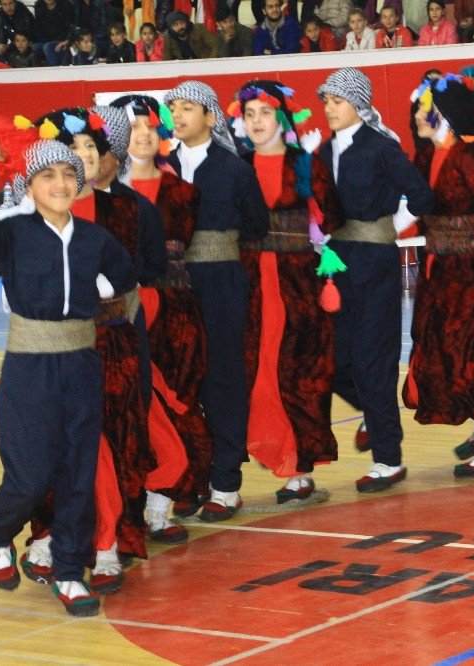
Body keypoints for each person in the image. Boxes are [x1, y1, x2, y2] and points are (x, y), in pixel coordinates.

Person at [0, 131, 136, 616]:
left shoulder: (96, 238)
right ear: (30, 186)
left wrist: (97, 286)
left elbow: (125, 276)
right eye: (47, 175)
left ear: (80, 184)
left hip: (81, 365)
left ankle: (69, 572)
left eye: (67, 174)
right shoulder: (13, 232)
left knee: (78, 473)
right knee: (31, 474)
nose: (59, 182)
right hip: (29, 367)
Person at [15, 107, 163, 593]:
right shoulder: (29, 219)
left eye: (86, 150)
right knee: (55, 446)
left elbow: (146, 268)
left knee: (116, 440)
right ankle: (51, 535)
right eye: (66, 152)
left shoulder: (129, 209)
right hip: (52, 349)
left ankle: (109, 542)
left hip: (114, 341)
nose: (77, 161)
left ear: (101, 158)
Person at [316, 67, 435, 491]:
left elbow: (421, 193)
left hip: (376, 264)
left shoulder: (381, 148)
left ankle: (389, 459)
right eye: (326, 101)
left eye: (338, 101)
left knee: (374, 362)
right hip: (335, 264)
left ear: (359, 103)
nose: (329, 109)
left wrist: (389, 226)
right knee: (333, 361)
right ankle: (372, 413)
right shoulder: (323, 151)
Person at [227, 80, 342, 502]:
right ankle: (263, 455)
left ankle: (299, 468)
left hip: (297, 286)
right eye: (249, 114)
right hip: (251, 283)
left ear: (281, 116)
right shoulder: (236, 166)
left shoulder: (304, 163)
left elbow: (331, 217)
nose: (256, 121)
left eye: (264, 112)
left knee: (297, 373)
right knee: (255, 372)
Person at [403, 69, 474, 477]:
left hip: (469, 273)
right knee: (447, 352)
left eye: (424, 109)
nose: (417, 115)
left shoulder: (468, 156)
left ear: (445, 113)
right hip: (437, 272)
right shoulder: (424, 156)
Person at [163, 81, 270, 520]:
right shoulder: (162, 165)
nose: (179, 116)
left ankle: (226, 483)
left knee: (223, 380)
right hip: (172, 286)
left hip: (221, 282)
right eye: (174, 109)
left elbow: (256, 224)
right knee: (179, 383)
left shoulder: (234, 168)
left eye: (188, 108)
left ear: (210, 116)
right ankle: (190, 478)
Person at [109, 94, 215, 529]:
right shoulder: (108, 196)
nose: (144, 135)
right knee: (133, 407)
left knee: (180, 400)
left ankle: (162, 506)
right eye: (134, 128)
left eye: (151, 126)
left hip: (177, 312)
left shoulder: (183, 192)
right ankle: (128, 509)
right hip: (125, 315)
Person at [33, 0, 75, 66]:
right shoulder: (39, 6)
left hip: (63, 41)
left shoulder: (66, 5)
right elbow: (38, 29)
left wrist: (67, 41)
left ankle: (55, 72)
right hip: (45, 41)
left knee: (48, 47)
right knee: (34, 48)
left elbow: (72, 27)